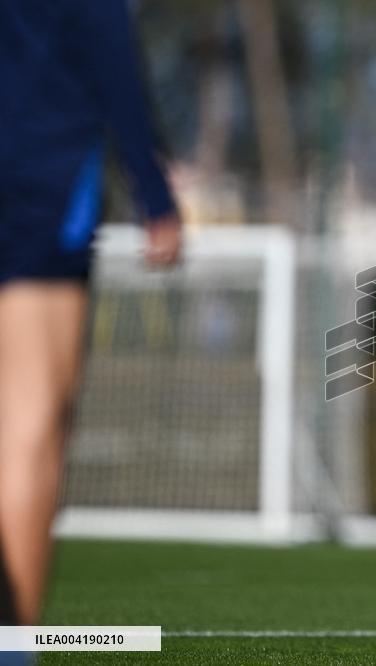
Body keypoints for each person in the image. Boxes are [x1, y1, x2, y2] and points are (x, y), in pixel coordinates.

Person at [0, 0, 181, 634]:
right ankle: (12, 639)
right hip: (35, 185)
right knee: (32, 428)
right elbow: (112, 64)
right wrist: (154, 193)